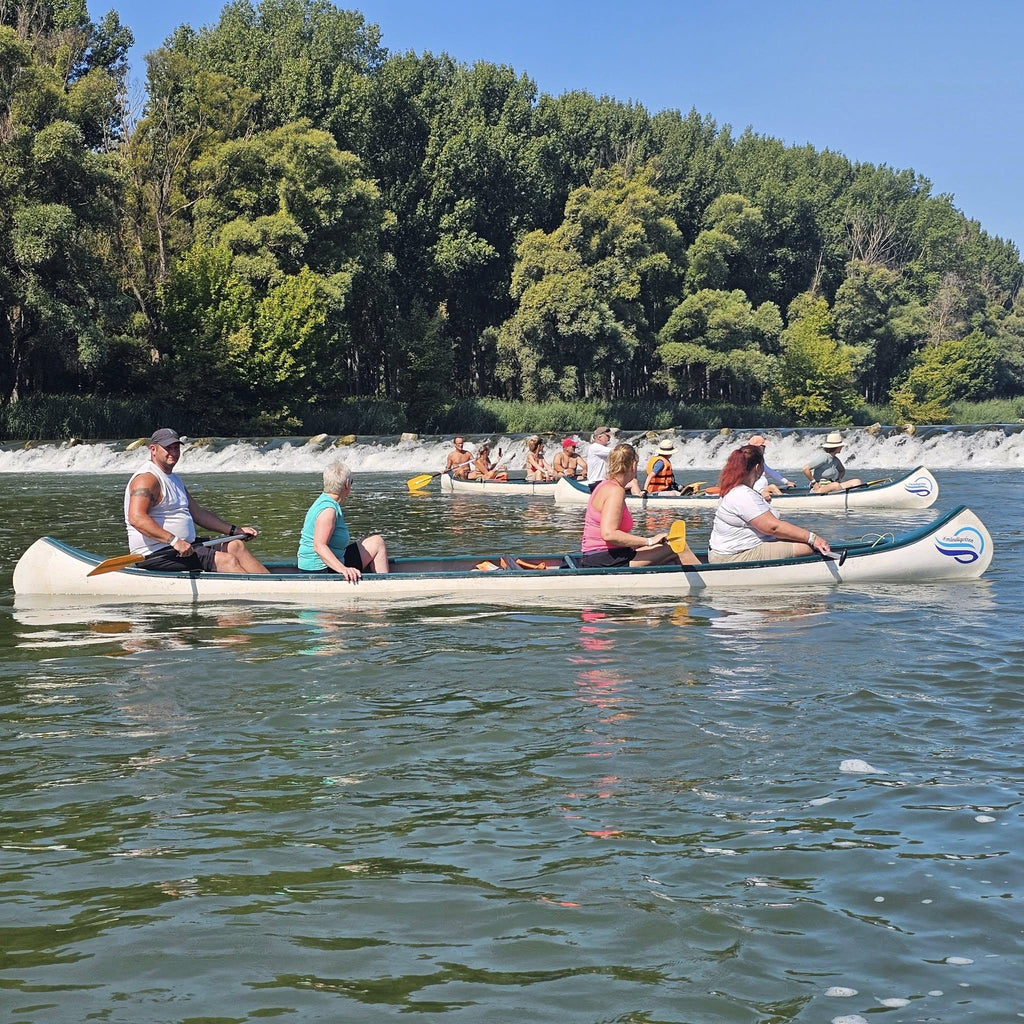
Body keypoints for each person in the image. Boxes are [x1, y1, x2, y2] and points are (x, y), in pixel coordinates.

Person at [124, 428, 269, 573]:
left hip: (184, 546)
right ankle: (258, 593)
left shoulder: (174, 479)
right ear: (153, 449)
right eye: (168, 448)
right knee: (226, 560)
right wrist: (174, 541)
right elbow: (137, 518)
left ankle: (273, 586)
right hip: (158, 553)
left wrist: (235, 530)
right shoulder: (146, 479)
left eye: (176, 448)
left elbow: (198, 513)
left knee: (235, 545)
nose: (173, 453)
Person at [580, 443, 700, 568]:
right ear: (633, 465)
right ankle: (707, 579)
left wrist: (641, 542)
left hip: (603, 555)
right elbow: (609, 534)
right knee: (678, 547)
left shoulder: (604, 485)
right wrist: (648, 541)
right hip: (604, 558)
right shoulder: (615, 491)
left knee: (665, 544)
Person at [709, 444, 832, 562]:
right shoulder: (742, 494)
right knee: (806, 548)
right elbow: (772, 527)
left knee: (797, 539)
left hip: (725, 552)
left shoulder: (735, 489)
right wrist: (813, 538)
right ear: (758, 468)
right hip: (733, 555)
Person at [297, 462, 389, 581]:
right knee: (378, 543)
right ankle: (384, 586)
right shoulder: (328, 510)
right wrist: (343, 569)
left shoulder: (326, 501)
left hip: (331, 561)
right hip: (320, 570)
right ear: (347, 485)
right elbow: (319, 546)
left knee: (375, 542)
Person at [585, 426, 643, 494]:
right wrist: (632, 444)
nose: (609, 438)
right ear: (599, 437)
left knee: (630, 480)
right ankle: (638, 501)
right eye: (607, 436)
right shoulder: (595, 447)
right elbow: (618, 451)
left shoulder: (602, 448)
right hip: (597, 483)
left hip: (604, 481)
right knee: (633, 483)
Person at [747, 434, 796, 498]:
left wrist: (787, 482)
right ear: (758, 447)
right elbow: (749, 479)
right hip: (756, 490)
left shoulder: (759, 459)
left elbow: (771, 472)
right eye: (763, 446)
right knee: (773, 487)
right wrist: (761, 491)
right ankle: (783, 500)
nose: (765, 448)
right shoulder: (749, 460)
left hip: (762, 489)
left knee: (773, 487)